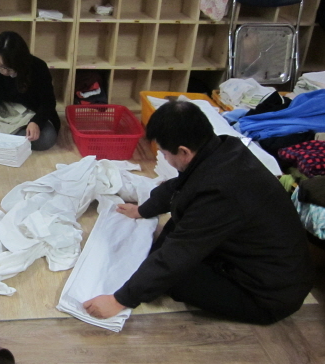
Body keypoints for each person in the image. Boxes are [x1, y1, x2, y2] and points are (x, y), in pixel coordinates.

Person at [83, 100, 314, 325]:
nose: (165, 158)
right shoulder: (222, 150)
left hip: (267, 295)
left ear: (183, 151)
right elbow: (181, 186)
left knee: (173, 275)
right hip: (262, 260)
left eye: (165, 153)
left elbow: (179, 252)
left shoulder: (221, 192)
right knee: (176, 225)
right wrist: (143, 210)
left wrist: (120, 300)